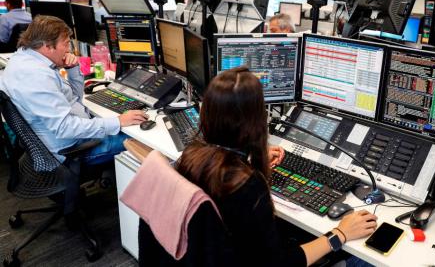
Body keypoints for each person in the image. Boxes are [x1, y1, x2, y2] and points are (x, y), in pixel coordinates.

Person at [175, 66, 378, 267]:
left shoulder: (191, 156)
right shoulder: (247, 186)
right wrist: (340, 234)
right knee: (363, 258)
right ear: (255, 122)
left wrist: (249, 163)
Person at [0, 15, 147, 167]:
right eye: (66, 44)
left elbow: (74, 99)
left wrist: (73, 68)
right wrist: (118, 121)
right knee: (142, 143)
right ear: (47, 46)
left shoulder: (24, 58)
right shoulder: (37, 76)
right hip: (73, 150)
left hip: (61, 140)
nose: (69, 49)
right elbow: (65, 128)